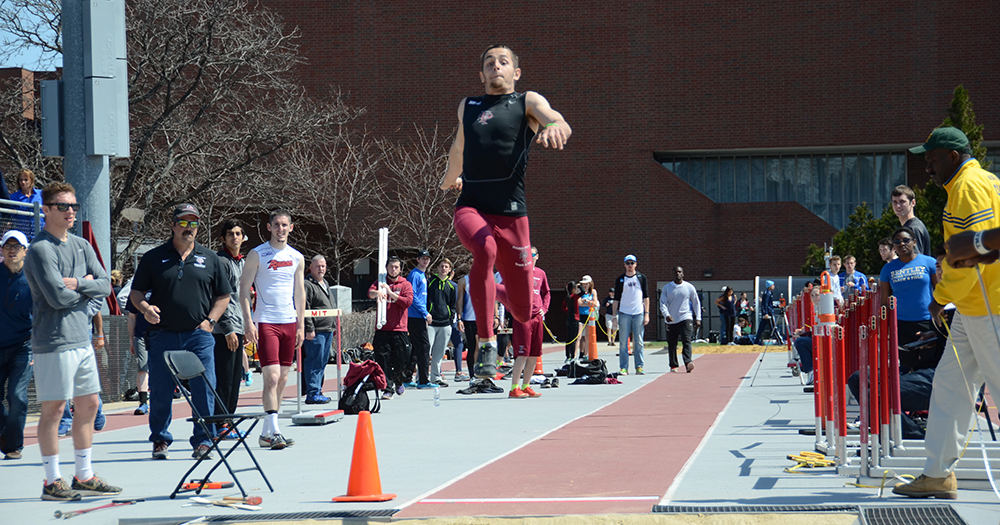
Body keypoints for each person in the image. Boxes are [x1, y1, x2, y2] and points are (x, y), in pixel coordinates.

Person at [440, 44, 572, 379]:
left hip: (512, 214)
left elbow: (555, 118)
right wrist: (448, 178)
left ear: (515, 72)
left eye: (503, 62)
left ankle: (494, 292)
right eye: (489, 62)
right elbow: (460, 147)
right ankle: (486, 343)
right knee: (484, 249)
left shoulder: (526, 101)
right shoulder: (468, 107)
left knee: (524, 310)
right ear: (481, 73)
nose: (495, 66)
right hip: (472, 206)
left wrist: (556, 126)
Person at [893, 127, 1000, 500]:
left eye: (933, 158)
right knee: (950, 388)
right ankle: (937, 474)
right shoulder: (975, 183)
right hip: (975, 309)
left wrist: (940, 296)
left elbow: (973, 254)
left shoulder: (969, 188)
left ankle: (938, 474)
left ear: (953, 157)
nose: (928, 167)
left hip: (991, 308)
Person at [23, 182, 120, 500]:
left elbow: (105, 286)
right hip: (53, 341)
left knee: (89, 405)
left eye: (74, 206)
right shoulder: (40, 249)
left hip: (82, 339)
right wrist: (87, 287)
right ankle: (52, 482)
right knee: (54, 409)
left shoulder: (81, 245)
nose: (70, 212)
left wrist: (79, 282)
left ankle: (84, 475)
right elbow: (56, 297)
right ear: (47, 209)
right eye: (63, 206)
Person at [131, 203, 231, 461]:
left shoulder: (210, 259)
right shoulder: (154, 257)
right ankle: (160, 439)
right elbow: (136, 292)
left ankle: (203, 440)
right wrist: (145, 309)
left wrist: (210, 322)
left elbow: (223, 296)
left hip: (198, 336)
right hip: (162, 335)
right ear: (173, 225)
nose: (189, 228)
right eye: (184, 223)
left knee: (204, 388)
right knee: (161, 390)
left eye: (194, 223)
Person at [239, 209, 305, 450]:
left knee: (284, 378)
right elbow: (244, 290)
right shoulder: (257, 254)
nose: (280, 229)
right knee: (272, 376)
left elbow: (300, 292)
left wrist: (301, 324)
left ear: (291, 227)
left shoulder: (297, 257)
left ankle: (268, 431)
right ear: (269, 227)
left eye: (284, 225)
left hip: (289, 322)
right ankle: (274, 429)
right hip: (266, 321)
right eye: (276, 225)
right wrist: (249, 321)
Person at [500, 246, 549, 398]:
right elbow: (502, 289)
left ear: (537, 256)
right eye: (527, 254)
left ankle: (526, 386)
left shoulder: (540, 273)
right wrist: (513, 309)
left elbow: (546, 292)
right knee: (522, 354)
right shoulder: (517, 272)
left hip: (537, 318)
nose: (530, 257)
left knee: (534, 354)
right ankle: (514, 388)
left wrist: (544, 308)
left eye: (532, 254)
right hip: (522, 318)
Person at [0, 230, 32, 460]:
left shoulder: (34, 279)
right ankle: (5, 433)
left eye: (17, 246)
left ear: (25, 251)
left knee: (17, 396)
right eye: (7, 246)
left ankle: (14, 445)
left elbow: (43, 313)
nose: (12, 250)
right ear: (2, 250)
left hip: (23, 346)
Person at [879, 227, 938, 348]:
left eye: (906, 240)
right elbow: (884, 301)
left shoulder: (929, 262)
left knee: (929, 363)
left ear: (914, 242)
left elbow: (940, 290)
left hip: (927, 321)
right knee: (906, 364)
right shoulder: (887, 269)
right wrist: (886, 325)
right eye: (897, 242)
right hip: (900, 323)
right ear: (894, 247)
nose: (902, 244)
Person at [214, 219, 248, 418]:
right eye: (230, 234)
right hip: (225, 330)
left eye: (238, 233)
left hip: (240, 326)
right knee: (225, 377)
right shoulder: (221, 261)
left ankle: (229, 420)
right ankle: (220, 422)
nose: (234, 237)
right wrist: (228, 329)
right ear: (223, 239)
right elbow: (221, 297)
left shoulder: (243, 262)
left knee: (236, 377)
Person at [368, 256, 414, 400]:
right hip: (383, 329)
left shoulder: (405, 284)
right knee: (383, 360)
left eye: (396, 267)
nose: (393, 269)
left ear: (400, 269)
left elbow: (407, 302)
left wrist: (390, 293)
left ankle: (398, 381)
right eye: (391, 267)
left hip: (399, 329)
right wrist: (377, 293)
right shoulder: (380, 282)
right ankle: (388, 388)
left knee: (402, 360)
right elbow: (370, 293)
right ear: (386, 268)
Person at [303, 254, 336, 404]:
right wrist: (309, 328)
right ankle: (312, 392)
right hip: (316, 331)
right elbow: (305, 307)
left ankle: (318, 389)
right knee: (314, 360)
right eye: (317, 266)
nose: (321, 269)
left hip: (327, 329)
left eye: (323, 266)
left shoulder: (325, 283)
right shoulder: (307, 284)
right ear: (311, 267)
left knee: (323, 361)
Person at [659, 266, 701, 373]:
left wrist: (698, 317)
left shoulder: (689, 287)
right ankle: (673, 365)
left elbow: (696, 302)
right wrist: (666, 315)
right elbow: (662, 303)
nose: (678, 274)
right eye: (676, 272)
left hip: (685, 317)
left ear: (683, 274)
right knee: (672, 344)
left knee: (687, 341)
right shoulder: (667, 288)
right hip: (671, 320)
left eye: (680, 272)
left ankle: (688, 362)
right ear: (673, 274)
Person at [614, 255, 649, 375]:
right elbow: (616, 299)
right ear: (624, 264)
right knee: (623, 342)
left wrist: (646, 314)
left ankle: (639, 366)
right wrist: (614, 316)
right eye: (628, 263)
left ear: (636, 264)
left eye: (632, 263)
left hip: (638, 313)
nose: (630, 265)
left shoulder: (641, 278)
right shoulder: (620, 279)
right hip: (624, 313)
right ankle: (624, 367)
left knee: (638, 341)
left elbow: (646, 297)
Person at [426, 258, 457, 387]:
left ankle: (435, 377)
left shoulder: (452, 286)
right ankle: (422, 377)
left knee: (439, 353)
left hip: (445, 323)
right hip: (431, 322)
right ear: (437, 268)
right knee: (426, 351)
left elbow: (453, 304)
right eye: (441, 266)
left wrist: (450, 320)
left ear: (449, 270)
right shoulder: (430, 282)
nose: (443, 268)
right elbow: (425, 300)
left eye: (446, 267)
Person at [405, 250, 432, 388]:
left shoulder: (423, 275)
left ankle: (407, 376)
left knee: (416, 347)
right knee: (424, 346)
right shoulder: (415, 275)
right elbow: (412, 296)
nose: (425, 261)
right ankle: (423, 380)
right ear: (418, 259)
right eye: (423, 259)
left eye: (427, 259)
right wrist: (425, 312)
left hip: (419, 315)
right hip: (415, 316)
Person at [126, 289, 151, 415]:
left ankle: (161, 400)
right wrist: (132, 340)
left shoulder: (163, 286)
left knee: (162, 369)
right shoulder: (137, 292)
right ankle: (143, 403)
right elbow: (131, 316)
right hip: (141, 336)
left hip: (161, 334)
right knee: (143, 368)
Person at [891, 184, 932, 256]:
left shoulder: (913, 228)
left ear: (913, 203)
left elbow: (916, 262)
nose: (898, 206)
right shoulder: (910, 226)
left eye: (902, 201)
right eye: (895, 202)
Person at [9, 169, 44, 236]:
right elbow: (9, 217)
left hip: (41, 233)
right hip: (23, 235)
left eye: (26, 180)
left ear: (31, 180)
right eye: (21, 180)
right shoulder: (13, 197)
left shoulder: (41, 194)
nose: (23, 182)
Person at [455, 272, 476, 381]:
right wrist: (459, 318)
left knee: (483, 347)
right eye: (470, 263)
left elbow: (494, 298)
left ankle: (483, 373)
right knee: (472, 347)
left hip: (483, 319)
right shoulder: (464, 281)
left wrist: (495, 316)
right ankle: (472, 374)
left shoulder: (487, 277)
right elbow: (459, 301)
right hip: (469, 319)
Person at [575, 276, 599, 360]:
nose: (585, 285)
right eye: (583, 284)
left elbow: (595, 303)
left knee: (588, 336)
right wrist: (589, 303)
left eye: (586, 284)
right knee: (579, 336)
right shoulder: (579, 291)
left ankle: (586, 354)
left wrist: (587, 302)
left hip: (590, 315)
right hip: (581, 315)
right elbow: (579, 303)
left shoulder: (593, 292)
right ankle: (577, 354)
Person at [562, 281, 581, 363]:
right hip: (575, 319)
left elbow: (563, 307)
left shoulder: (567, 297)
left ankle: (568, 356)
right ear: (573, 289)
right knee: (574, 339)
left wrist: (568, 312)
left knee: (569, 338)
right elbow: (583, 292)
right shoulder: (574, 296)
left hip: (569, 318)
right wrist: (579, 285)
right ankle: (573, 356)